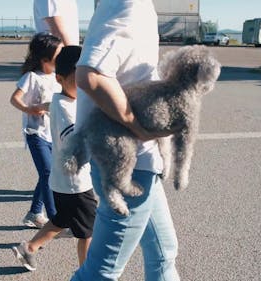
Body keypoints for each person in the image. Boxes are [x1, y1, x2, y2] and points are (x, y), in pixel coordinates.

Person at [70, 0, 180, 280]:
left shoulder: (131, 6)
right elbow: (91, 74)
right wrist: (137, 126)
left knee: (164, 252)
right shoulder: (127, 6)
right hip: (128, 163)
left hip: (138, 162)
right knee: (101, 272)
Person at [12, 45, 97, 271]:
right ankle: (87, 274)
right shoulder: (66, 108)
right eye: (77, 80)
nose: (84, 86)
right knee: (88, 231)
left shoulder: (64, 100)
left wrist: (44, 106)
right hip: (76, 182)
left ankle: (29, 248)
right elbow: (72, 139)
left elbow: (54, 105)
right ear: (59, 78)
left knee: (63, 219)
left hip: (62, 181)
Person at [10, 33, 63, 228]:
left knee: (47, 173)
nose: (62, 57)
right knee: (49, 173)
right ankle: (56, 221)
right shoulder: (31, 77)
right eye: (59, 54)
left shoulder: (58, 77)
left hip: (53, 134)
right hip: (36, 134)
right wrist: (29, 109)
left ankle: (34, 213)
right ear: (44, 59)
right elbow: (14, 98)